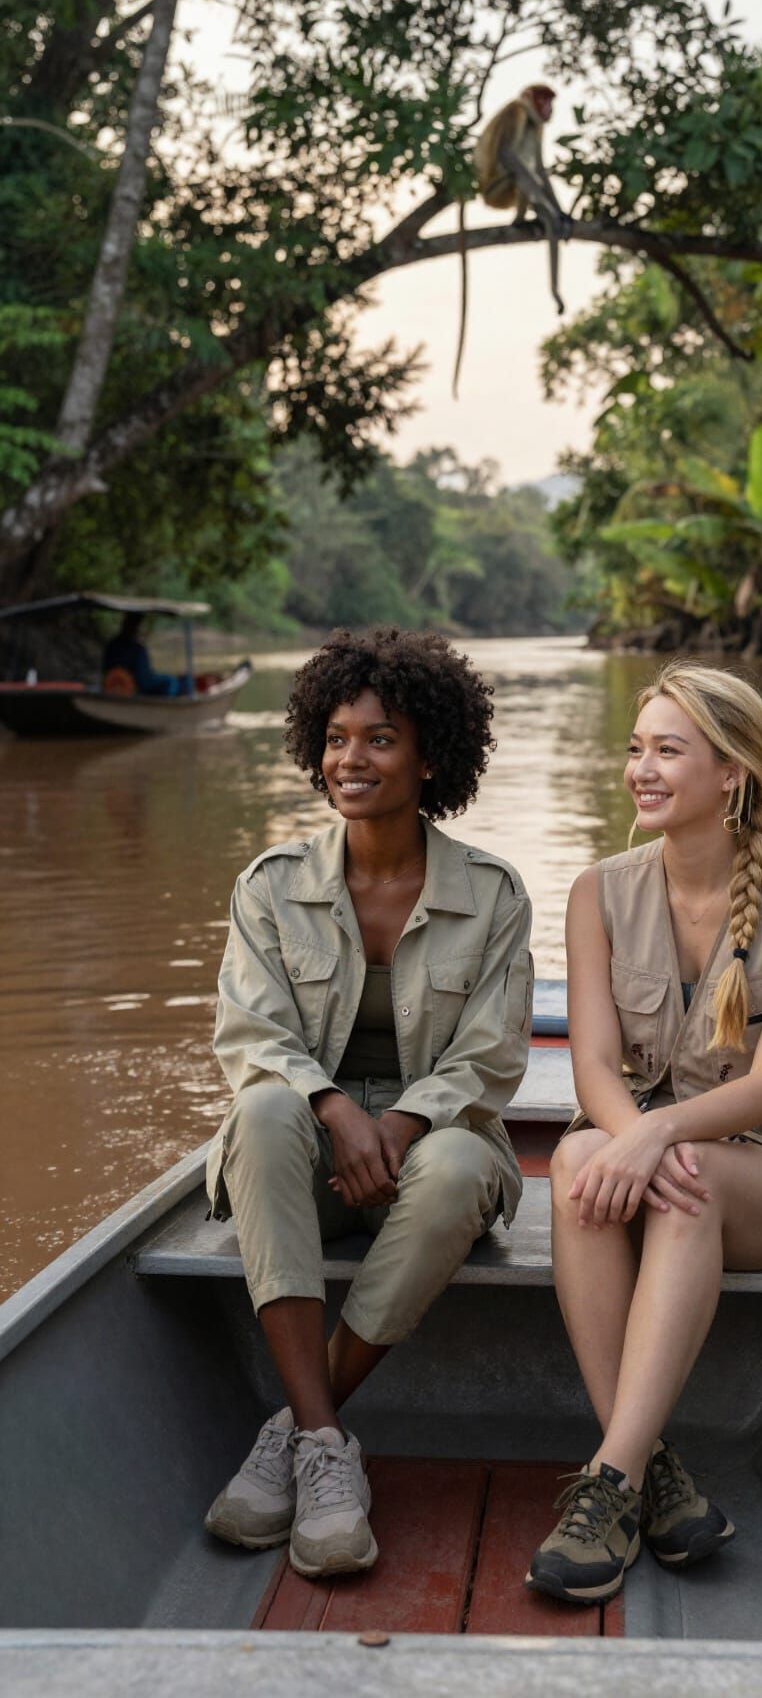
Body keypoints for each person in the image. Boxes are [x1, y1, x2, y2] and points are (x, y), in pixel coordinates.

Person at [527, 661, 762, 1605]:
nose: (641, 768)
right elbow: (593, 1068)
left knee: (684, 1180)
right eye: (636, 749)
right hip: (667, 1146)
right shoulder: (599, 890)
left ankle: (608, 1484)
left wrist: (654, 1138)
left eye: (668, 751)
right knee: (579, 1157)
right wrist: (633, 1136)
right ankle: (647, 1471)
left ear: (733, 773)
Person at [203, 628, 532, 1578]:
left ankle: (299, 1431)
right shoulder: (270, 888)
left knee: (463, 1161)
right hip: (308, 1156)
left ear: (433, 757)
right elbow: (252, 1036)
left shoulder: (493, 893)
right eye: (338, 737)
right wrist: (339, 1112)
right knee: (265, 1109)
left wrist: (399, 1121)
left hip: (429, 1158)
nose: (352, 758)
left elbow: (493, 1055)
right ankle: (323, 1442)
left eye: (381, 738)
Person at [101, 613, 191, 696]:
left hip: (129, 682)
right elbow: (145, 679)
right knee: (172, 681)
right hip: (136, 684)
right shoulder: (136, 648)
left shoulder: (113, 644)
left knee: (173, 680)